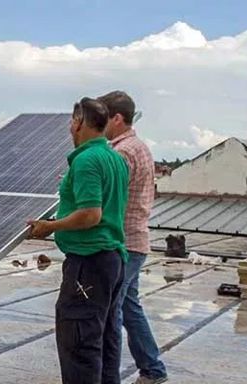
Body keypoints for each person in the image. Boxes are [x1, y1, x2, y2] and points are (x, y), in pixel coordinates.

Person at [28, 97, 129, 384]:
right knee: (104, 341)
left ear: (80, 123)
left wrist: (51, 226)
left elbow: (90, 214)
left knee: (79, 342)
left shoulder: (86, 160)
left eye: (72, 122)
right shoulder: (116, 159)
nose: (69, 128)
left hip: (89, 262)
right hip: (112, 261)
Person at [98, 91, 168, 384]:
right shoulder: (138, 146)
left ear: (117, 118)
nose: (98, 124)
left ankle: (108, 376)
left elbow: (109, 196)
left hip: (123, 243)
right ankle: (152, 368)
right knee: (129, 306)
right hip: (136, 240)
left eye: (103, 118)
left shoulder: (122, 152)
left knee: (111, 312)